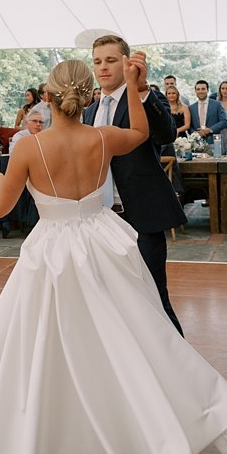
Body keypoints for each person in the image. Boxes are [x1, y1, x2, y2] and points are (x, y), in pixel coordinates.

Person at [0, 55, 227, 454]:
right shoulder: (103, 137)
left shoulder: (29, 148)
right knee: (121, 340)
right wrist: (132, 83)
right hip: (103, 241)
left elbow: (0, 211)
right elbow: (143, 134)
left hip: (53, 251)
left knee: (45, 344)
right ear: (88, 97)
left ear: (47, 98)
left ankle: (51, 440)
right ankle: (138, 432)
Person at [86, 38, 188, 335]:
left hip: (141, 216)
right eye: (97, 61)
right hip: (101, 221)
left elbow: (166, 133)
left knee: (154, 296)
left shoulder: (141, 99)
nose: (103, 67)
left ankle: (179, 367)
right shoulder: (89, 113)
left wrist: (142, 90)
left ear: (127, 62)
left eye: (110, 60)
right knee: (109, 300)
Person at [188, 81, 227, 148]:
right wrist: (196, 134)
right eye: (198, 89)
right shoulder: (191, 108)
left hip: (214, 143)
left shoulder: (217, 104)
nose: (200, 91)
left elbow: (224, 121)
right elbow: (189, 126)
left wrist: (209, 130)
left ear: (208, 90)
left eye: (203, 89)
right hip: (196, 144)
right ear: (195, 91)